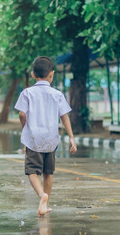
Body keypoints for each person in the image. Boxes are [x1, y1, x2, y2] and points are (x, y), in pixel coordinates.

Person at [14, 56, 77, 217]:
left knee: (32, 172)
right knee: (48, 172)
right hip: (51, 138)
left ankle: (42, 195)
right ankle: (46, 204)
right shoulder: (57, 94)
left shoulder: (27, 93)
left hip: (33, 139)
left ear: (33, 75)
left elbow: (22, 114)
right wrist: (71, 137)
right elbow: (64, 116)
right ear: (52, 74)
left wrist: (25, 127)